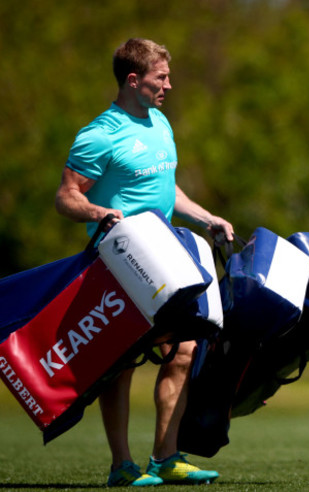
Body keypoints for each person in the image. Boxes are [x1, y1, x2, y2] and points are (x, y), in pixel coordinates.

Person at [55, 38, 234, 487]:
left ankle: (166, 457)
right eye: (161, 77)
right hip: (119, 262)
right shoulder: (100, 134)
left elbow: (166, 189)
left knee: (185, 348)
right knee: (123, 362)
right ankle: (122, 466)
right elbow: (66, 196)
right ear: (133, 80)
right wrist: (99, 212)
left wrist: (206, 217)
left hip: (166, 256)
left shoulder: (159, 123)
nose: (169, 85)